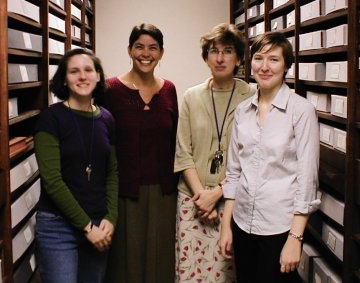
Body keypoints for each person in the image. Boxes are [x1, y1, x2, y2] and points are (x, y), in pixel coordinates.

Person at [219, 32, 320, 283]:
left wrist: (295, 239)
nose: (264, 67)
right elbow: (234, 172)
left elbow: (307, 180)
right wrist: (226, 227)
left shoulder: (301, 111)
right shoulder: (242, 110)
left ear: (286, 66)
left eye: (273, 60)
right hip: (242, 223)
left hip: (279, 227)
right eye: (259, 58)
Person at [174, 23, 255, 282]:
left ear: (239, 58)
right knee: (190, 273)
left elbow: (251, 156)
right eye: (213, 51)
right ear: (206, 57)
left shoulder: (251, 95)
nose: (220, 58)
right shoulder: (191, 96)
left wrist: (217, 193)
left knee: (226, 273)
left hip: (233, 200)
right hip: (192, 200)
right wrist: (202, 197)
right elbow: (183, 152)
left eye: (228, 51)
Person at [34, 48, 118, 283]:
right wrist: (87, 228)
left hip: (99, 223)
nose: (82, 76)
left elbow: (111, 174)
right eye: (74, 71)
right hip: (58, 227)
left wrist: (111, 218)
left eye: (88, 70)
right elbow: (52, 182)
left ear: (98, 76)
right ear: (64, 79)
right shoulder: (51, 118)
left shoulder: (107, 119)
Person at [103, 23, 179, 283]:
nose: (145, 54)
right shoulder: (110, 89)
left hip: (163, 193)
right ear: (129, 50)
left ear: (161, 53)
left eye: (153, 48)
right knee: (126, 266)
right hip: (124, 193)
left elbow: (175, 140)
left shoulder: (169, 90)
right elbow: (102, 142)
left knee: (161, 263)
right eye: (139, 47)